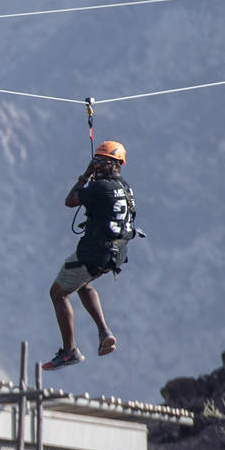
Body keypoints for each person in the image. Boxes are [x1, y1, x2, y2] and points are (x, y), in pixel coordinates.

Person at [43, 140, 137, 370]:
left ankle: (69, 351)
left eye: (103, 162)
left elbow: (70, 201)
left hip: (94, 252)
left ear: (116, 164)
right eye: (96, 161)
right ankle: (105, 333)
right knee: (83, 286)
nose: (98, 166)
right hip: (114, 255)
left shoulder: (100, 187)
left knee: (58, 294)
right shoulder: (125, 188)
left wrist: (84, 176)